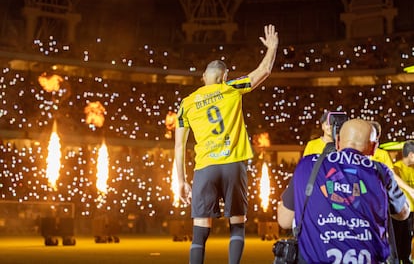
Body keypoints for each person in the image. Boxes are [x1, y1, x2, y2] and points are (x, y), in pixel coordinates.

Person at [174, 24, 279, 264]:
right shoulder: (231, 88)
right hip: (232, 164)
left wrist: (180, 181)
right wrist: (272, 48)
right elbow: (263, 71)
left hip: (206, 167)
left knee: (199, 233)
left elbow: (179, 146)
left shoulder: (187, 103)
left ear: (203, 79)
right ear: (225, 76)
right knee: (237, 224)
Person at [278, 119, 409, 263]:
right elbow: (402, 213)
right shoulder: (380, 172)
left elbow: (284, 220)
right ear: (374, 147)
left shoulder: (307, 165)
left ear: (338, 141)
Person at [392, 140, 414, 264]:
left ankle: (406, 259)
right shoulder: (396, 168)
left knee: (408, 238)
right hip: (402, 211)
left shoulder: (412, 169)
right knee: (400, 238)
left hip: (412, 211)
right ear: (411, 155)